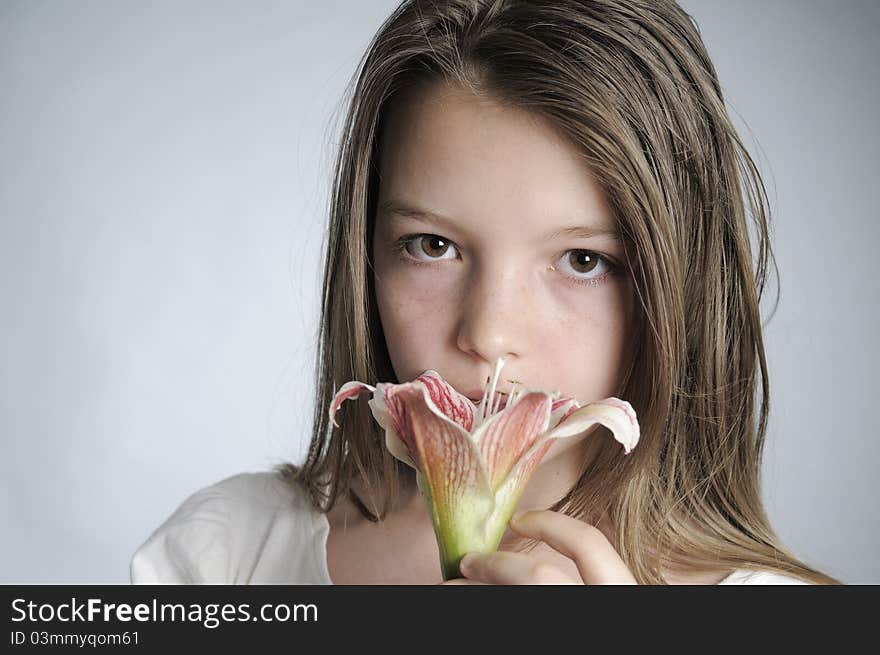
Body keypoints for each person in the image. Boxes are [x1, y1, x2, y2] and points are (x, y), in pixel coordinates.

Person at [130, 0, 839, 585]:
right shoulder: (224, 556)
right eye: (432, 246)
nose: (490, 334)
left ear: (675, 288)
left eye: (584, 259)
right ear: (367, 254)